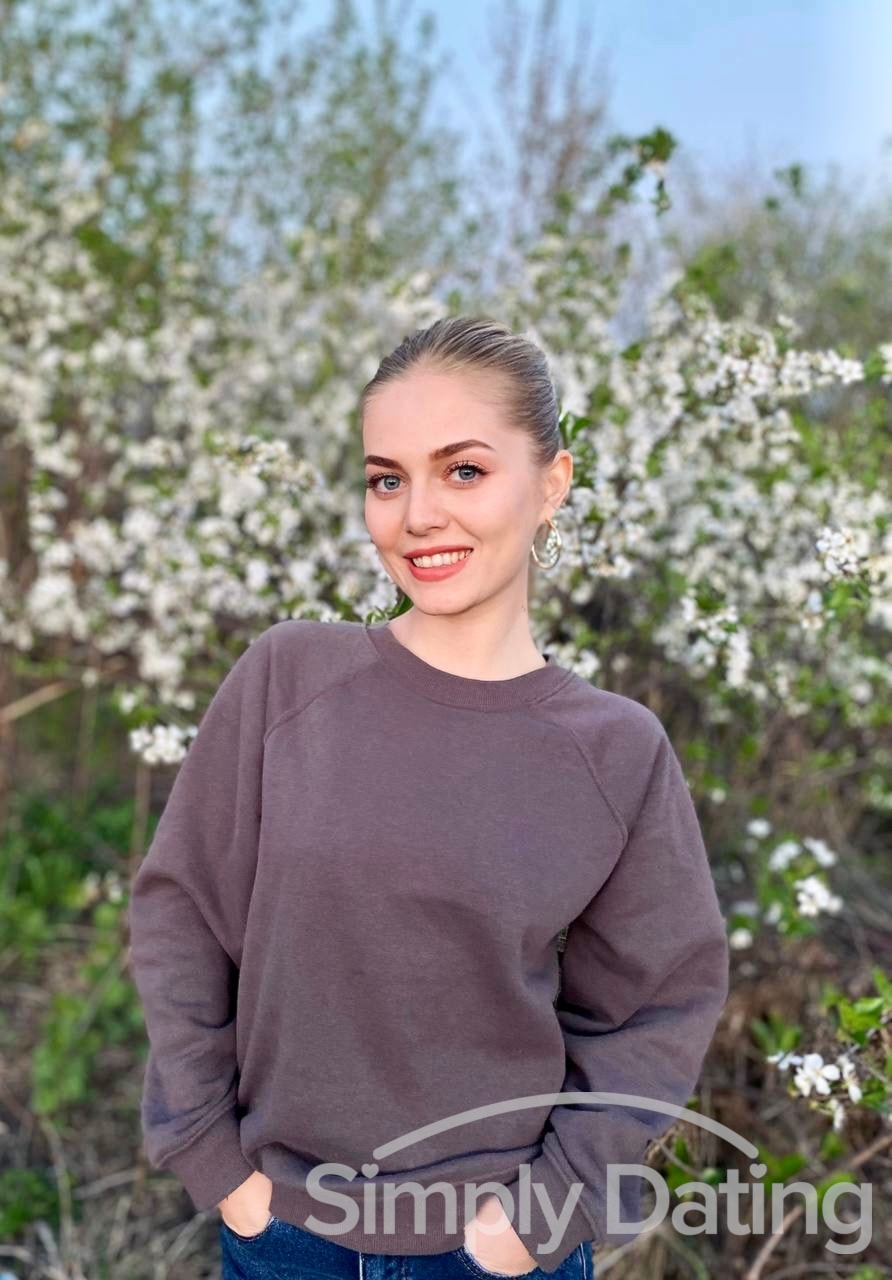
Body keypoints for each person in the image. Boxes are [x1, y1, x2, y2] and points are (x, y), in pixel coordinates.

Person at [127, 316, 731, 1279]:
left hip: (495, 1253)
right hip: (283, 1234)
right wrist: (218, 1164)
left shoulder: (614, 751)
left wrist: (536, 1219)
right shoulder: (288, 679)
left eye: (464, 471)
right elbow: (182, 917)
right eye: (387, 479)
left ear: (552, 483)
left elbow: (656, 1008)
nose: (417, 516)